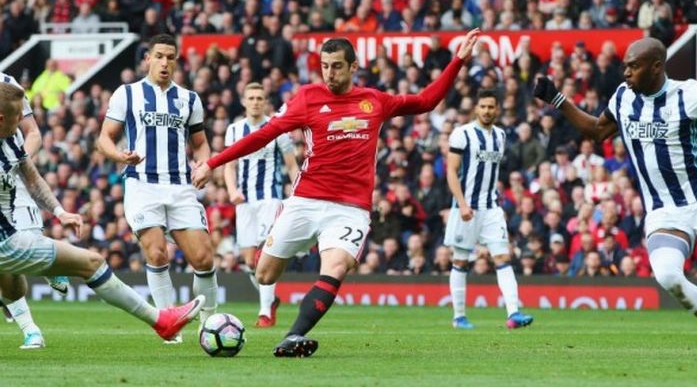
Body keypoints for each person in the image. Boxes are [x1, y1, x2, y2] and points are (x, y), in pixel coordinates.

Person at [193, 29, 481, 357]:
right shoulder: (307, 98)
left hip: (350, 208)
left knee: (337, 267)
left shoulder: (375, 101)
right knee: (264, 273)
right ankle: (281, 280)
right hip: (306, 200)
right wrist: (213, 163)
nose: (329, 73)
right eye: (325, 66)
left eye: (337, 66)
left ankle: (292, 337)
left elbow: (427, 101)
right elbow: (263, 135)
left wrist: (458, 60)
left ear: (353, 67)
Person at [0, 81, 204, 347]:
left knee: (15, 289)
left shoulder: (10, 140)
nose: (22, 123)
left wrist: (60, 212)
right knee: (92, 263)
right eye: (18, 117)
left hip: (11, 235)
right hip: (8, 243)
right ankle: (162, 322)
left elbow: (32, 178)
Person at [534, 37, 697, 318]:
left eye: (633, 67)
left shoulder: (690, 95)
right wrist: (557, 100)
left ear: (657, 67)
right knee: (669, 277)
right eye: (625, 66)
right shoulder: (624, 96)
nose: (626, 73)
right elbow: (598, 130)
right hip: (664, 211)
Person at [97, 34, 217, 344]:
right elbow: (104, 138)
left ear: (177, 61)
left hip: (179, 186)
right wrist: (120, 155)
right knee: (156, 252)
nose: (165, 62)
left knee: (203, 258)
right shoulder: (128, 94)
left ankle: (210, 326)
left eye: (171, 57)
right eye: (159, 56)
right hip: (142, 185)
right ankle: (169, 324)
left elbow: (201, 144)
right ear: (147, 58)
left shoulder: (190, 99)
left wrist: (204, 165)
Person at [444, 89, 534, 330]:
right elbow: (451, 171)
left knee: (503, 257)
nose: (487, 111)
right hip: (466, 207)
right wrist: (462, 203)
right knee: (461, 261)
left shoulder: (501, 136)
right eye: (483, 106)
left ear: (498, 109)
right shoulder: (462, 134)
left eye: (491, 107)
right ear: (476, 108)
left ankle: (514, 313)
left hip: (491, 208)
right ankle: (459, 316)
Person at [0, 73, 69, 349]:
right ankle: (31, 330)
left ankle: (49, 263)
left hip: (12, 172)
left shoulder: (7, 82)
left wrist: (14, 161)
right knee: (7, 269)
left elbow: (33, 133)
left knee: (26, 241)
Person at [223, 82, 299, 327]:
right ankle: (271, 299)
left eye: (260, 98)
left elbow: (291, 165)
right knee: (247, 260)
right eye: (251, 98)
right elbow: (229, 166)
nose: (255, 102)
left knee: (263, 254)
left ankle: (265, 312)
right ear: (244, 101)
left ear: (265, 102)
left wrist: (298, 191)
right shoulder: (234, 130)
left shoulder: (278, 129)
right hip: (244, 202)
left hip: (270, 198)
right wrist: (232, 190)